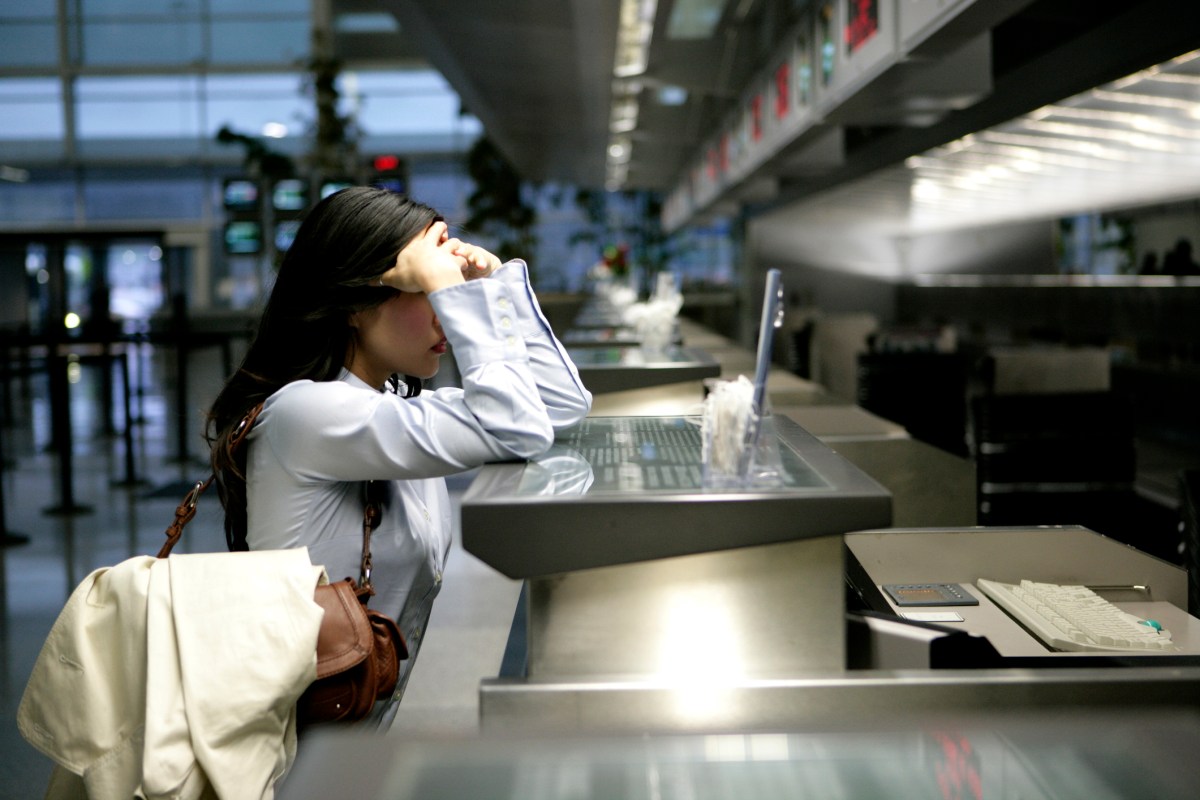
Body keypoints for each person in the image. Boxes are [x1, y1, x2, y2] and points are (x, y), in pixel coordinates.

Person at [206, 186, 592, 725]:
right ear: (357, 306)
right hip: (286, 759)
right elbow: (516, 427)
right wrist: (455, 292)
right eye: (425, 290)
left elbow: (556, 407)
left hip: (351, 739)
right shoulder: (308, 414)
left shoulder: (385, 408)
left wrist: (497, 287)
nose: (444, 318)